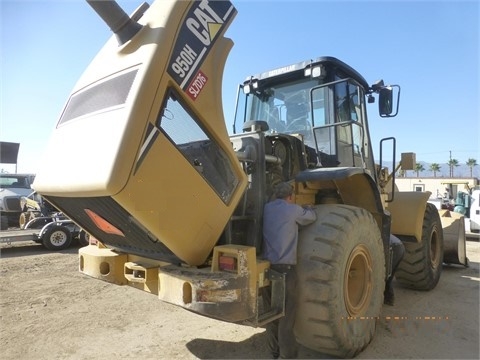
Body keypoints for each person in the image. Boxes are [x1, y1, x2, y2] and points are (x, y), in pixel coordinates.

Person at [262, 182, 316, 359]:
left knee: (271, 315)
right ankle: (288, 356)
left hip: (268, 269)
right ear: (291, 197)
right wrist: (308, 208)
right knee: (286, 315)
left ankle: (273, 352)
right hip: (286, 271)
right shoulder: (293, 210)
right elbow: (311, 217)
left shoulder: (267, 208)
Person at [384, 234, 405, 306]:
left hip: (395, 247)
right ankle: (389, 299)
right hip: (399, 246)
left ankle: (389, 299)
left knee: (385, 277)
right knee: (388, 277)